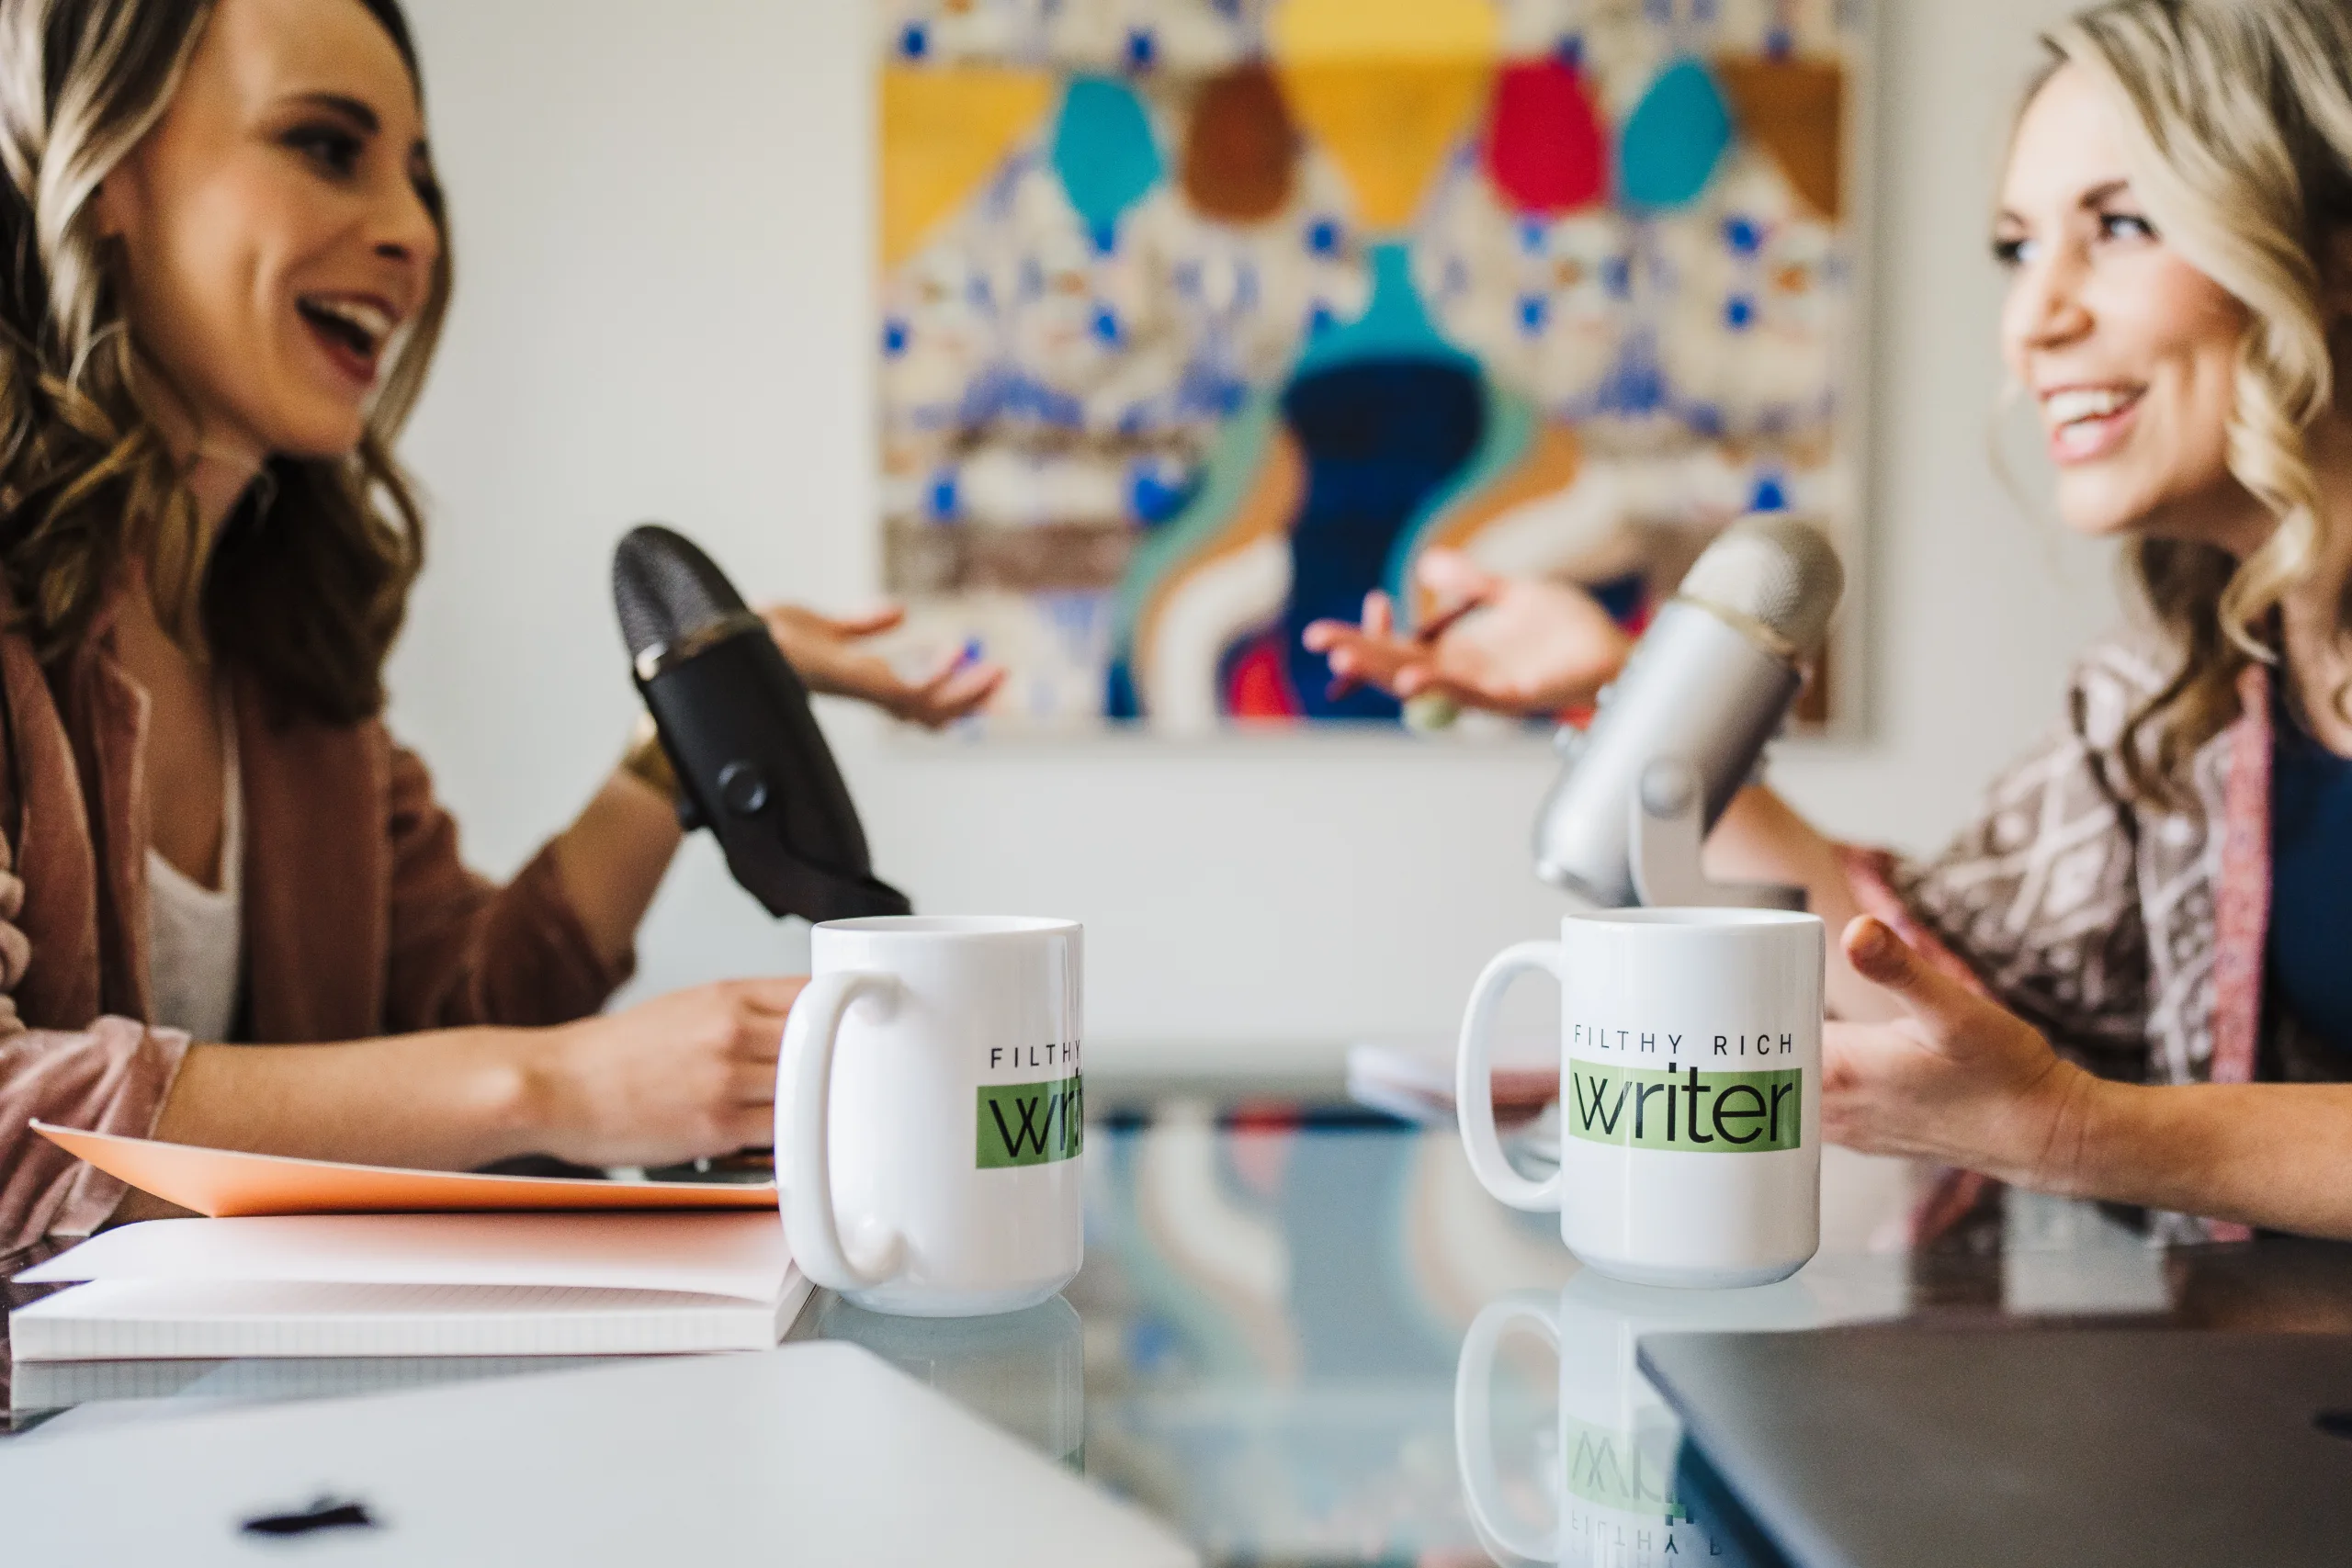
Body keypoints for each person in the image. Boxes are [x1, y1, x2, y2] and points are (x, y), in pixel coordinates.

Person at [1306, 0, 2352, 1243]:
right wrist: (1644, 706)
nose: (2033, 323)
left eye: (2119, 227)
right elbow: (1944, 985)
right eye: (2016, 249)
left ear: (2331, 250)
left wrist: (2080, 1129)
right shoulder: (2184, 701)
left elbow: (2038, 1101)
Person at [0, 0, 1002, 1257]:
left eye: (420, 179)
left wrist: (697, 722)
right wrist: (556, 1086)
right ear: (105, 163)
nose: (415, 234)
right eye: (325, 145)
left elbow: (464, 1003)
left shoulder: (289, 671)